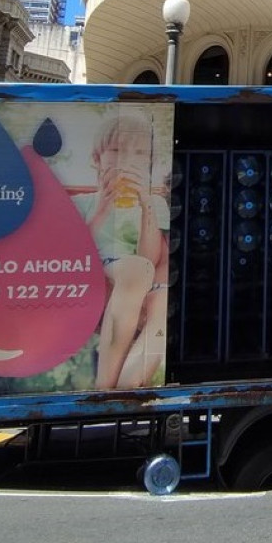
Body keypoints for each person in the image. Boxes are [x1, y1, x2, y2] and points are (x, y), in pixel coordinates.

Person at [73, 113, 170, 390]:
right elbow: (75, 256)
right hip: (98, 276)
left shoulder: (156, 207)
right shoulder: (83, 204)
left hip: (141, 283)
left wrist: (146, 205)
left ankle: (125, 386)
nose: (127, 160)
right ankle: (105, 388)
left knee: (161, 299)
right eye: (116, 151)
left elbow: (150, 258)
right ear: (97, 158)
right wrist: (102, 210)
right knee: (137, 270)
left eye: (139, 154)